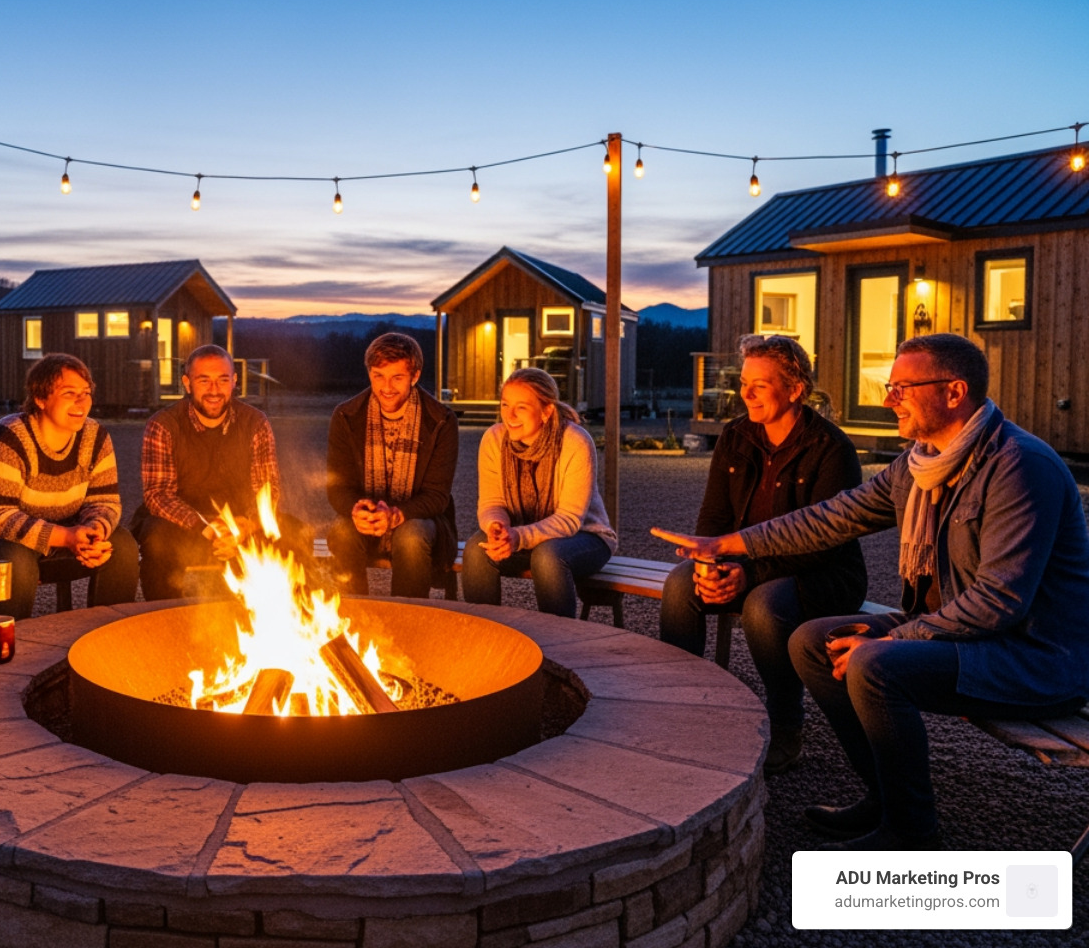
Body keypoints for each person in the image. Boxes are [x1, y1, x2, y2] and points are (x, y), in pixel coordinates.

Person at [653, 334, 1089, 850]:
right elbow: (832, 518)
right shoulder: (920, 463)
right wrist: (733, 543)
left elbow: (998, 601)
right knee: (812, 642)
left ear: (954, 392)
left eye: (902, 388)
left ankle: (911, 830)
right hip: (962, 632)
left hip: (1029, 655)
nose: (888, 400)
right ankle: (883, 795)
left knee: (872, 664)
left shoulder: (1018, 466)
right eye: (891, 386)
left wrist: (897, 639)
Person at [658, 334, 867, 774]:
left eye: (760, 384)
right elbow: (714, 517)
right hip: (743, 562)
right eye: (743, 383)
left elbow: (823, 540)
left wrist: (747, 575)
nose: (745, 394)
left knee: (763, 604)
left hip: (823, 574)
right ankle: (678, 707)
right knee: (680, 584)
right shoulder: (736, 437)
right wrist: (708, 565)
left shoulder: (830, 450)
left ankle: (786, 725)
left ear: (795, 389)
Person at [0, 353, 138, 613]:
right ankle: (9, 644)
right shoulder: (9, 437)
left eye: (86, 392)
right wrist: (66, 537)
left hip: (58, 534)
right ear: (40, 398)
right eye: (69, 393)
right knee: (16, 560)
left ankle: (107, 637)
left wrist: (94, 533)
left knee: (122, 546)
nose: (81, 401)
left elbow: (104, 501)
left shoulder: (95, 437)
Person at [131, 344, 306, 600]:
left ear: (234, 382)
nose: (214, 390)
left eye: (222, 380)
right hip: (184, 526)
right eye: (204, 381)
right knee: (157, 539)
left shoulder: (255, 422)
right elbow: (158, 495)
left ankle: (286, 621)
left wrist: (246, 526)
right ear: (187, 383)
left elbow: (267, 490)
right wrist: (206, 526)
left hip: (241, 522)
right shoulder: (163, 425)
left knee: (294, 532)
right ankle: (163, 619)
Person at [462, 368, 618, 616]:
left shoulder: (574, 442)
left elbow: (569, 519)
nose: (509, 415)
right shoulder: (494, 439)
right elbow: (493, 502)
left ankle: (558, 645)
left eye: (521, 407)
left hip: (584, 537)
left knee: (548, 556)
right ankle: (485, 635)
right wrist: (497, 528)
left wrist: (517, 537)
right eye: (504, 405)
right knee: (476, 549)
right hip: (519, 536)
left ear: (546, 412)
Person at [325, 333, 458, 598]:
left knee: (410, 535)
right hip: (368, 520)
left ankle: (408, 620)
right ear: (369, 374)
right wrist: (358, 509)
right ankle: (353, 617)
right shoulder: (346, 416)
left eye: (397, 377)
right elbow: (337, 487)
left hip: (419, 522)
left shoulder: (441, 421)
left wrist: (396, 514)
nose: (387, 387)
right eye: (378, 376)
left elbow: (437, 497)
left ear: (415, 376)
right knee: (342, 532)